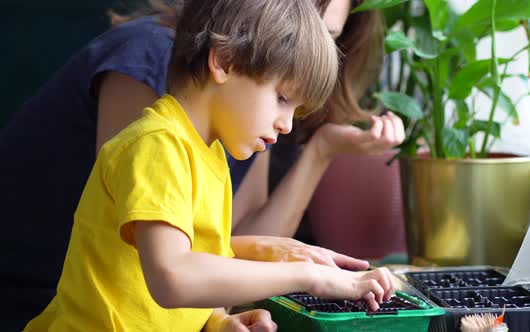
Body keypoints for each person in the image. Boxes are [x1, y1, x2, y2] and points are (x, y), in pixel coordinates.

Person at [0, 0, 404, 328]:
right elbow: (172, 275)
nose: (286, 124)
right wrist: (310, 276)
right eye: (282, 98)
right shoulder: (156, 144)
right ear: (224, 61)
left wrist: (214, 320)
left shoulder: (206, 153)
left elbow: (181, 257)